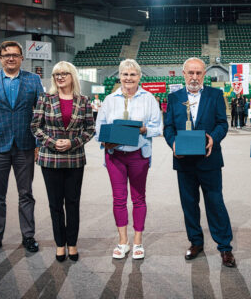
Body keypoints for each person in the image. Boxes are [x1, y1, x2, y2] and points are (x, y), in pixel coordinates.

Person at [0, 41, 43, 258]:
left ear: (22, 58)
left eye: (14, 54)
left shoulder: (33, 80)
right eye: (6, 55)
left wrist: (39, 144)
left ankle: (28, 236)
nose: (10, 58)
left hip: (25, 146)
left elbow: (41, 115)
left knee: (26, 194)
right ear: (0, 59)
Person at [163, 57, 236, 268]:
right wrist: (173, 143)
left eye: (199, 73)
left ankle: (225, 247)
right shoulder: (174, 97)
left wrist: (214, 137)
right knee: (189, 205)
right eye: (191, 73)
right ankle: (195, 242)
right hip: (184, 161)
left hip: (209, 159)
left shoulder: (215, 95)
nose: (194, 77)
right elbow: (168, 128)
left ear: (204, 74)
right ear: (183, 73)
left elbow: (223, 123)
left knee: (215, 203)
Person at [95, 59, 162, 260]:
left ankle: (138, 242)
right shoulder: (109, 99)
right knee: (119, 198)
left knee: (138, 198)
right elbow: (99, 128)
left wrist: (143, 129)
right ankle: (123, 241)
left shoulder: (149, 98)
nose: (128, 78)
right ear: (120, 77)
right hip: (115, 156)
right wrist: (107, 141)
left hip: (138, 155)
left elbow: (158, 128)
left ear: (139, 77)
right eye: (125, 74)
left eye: (133, 74)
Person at [31, 61, 95, 262]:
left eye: (64, 74)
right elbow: (35, 126)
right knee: (55, 204)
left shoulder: (83, 101)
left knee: (73, 203)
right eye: (56, 74)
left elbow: (90, 129)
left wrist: (73, 142)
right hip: (50, 159)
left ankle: (72, 243)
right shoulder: (45, 99)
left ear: (72, 76)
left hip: (75, 158)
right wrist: (51, 142)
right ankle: (60, 244)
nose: (60, 77)